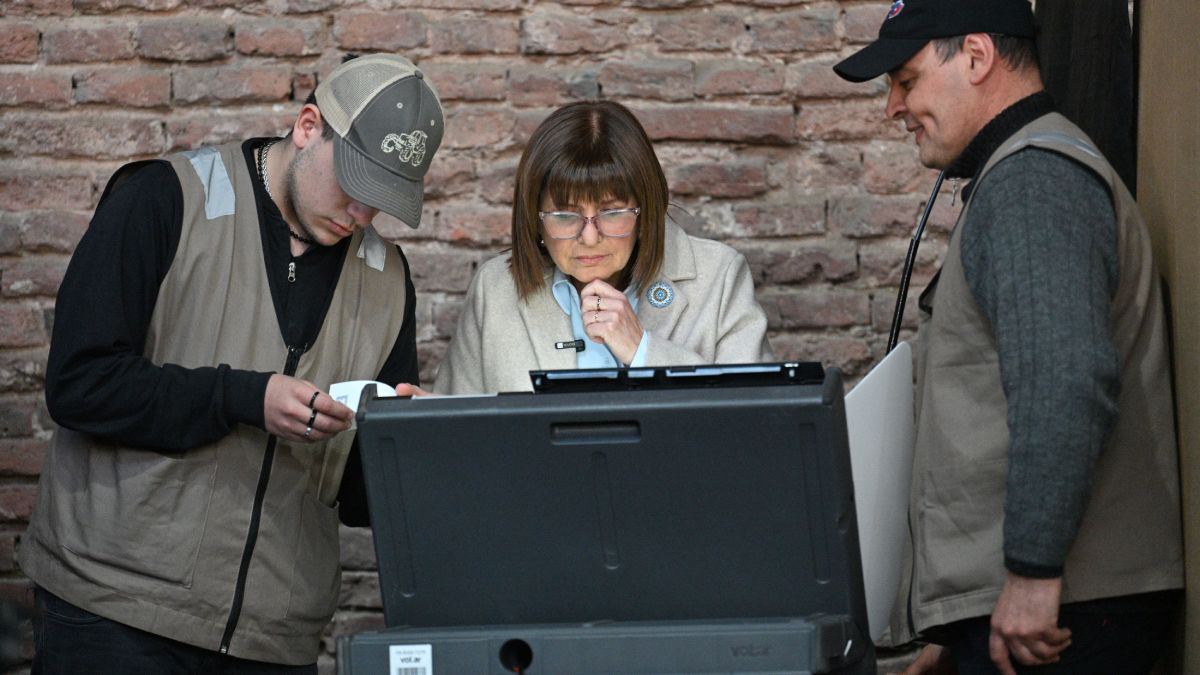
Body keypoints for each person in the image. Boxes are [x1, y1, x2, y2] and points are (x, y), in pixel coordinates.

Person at [19, 54, 444, 673]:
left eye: (383, 200)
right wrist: (242, 398)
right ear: (307, 126)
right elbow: (79, 384)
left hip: (272, 642)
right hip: (113, 615)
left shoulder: (388, 280)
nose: (362, 215)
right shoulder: (163, 198)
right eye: (355, 184)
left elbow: (354, 499)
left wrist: (410, 444)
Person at [833, 1, 1183, 673]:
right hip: (1043, 604)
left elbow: (1064, 379)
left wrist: (1031, 571)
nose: (893, 109)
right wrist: (951, 614)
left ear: (975, 55)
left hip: (1064, 613)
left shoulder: (1032, 181)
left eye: (905, 80)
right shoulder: (1018, 175)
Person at [426, 100, 772, 395]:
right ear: (535, 219)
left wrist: (643, 351)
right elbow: (463, 428)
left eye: (612, 213)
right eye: (564, 215)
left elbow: (757, 424)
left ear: (645, 210)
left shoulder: (719, 276)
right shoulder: (496, 289)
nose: (589, 237)